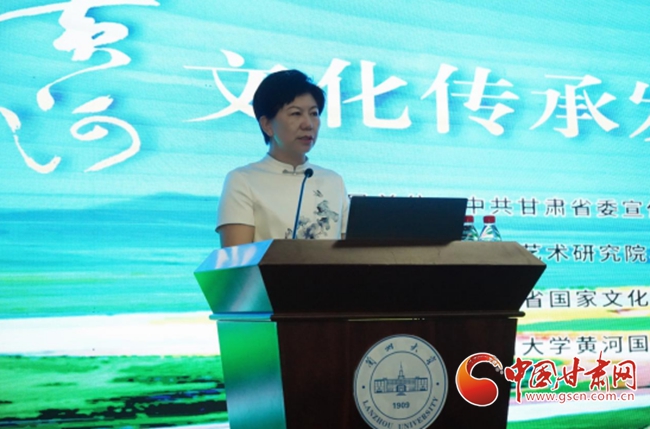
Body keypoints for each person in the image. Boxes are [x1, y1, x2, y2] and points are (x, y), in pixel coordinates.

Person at [216, 70, 349, 248]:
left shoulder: (333, 181)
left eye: (314, 113)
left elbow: (351, 254)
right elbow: (236, 259)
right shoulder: (242, 180)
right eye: (296, 114)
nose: (308, 124)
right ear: (267, 125)